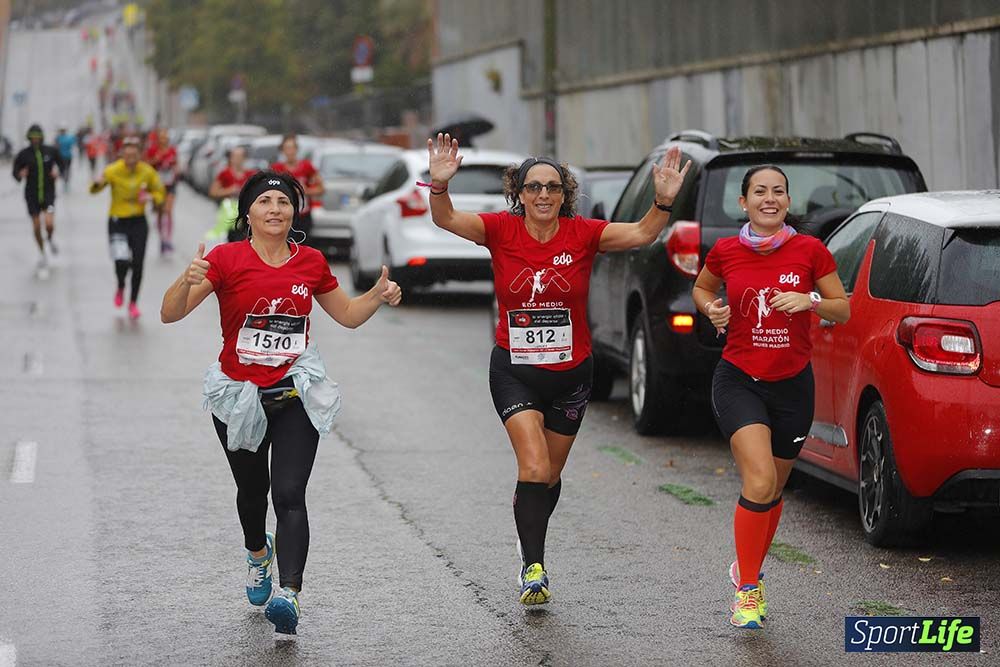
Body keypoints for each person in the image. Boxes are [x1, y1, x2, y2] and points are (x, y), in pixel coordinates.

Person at [426, 133, 690, 605]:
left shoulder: (584, 234)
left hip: (572, 375)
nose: (543, 194)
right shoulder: (499, 230)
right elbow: (445, 219)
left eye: (552, 187)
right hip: (515, 369)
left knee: (547, 475)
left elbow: (643, 233)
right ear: (519, 194)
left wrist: (663, 201)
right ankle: (533, 566)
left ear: (564, 194)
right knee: (532, 464)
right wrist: (441, 186)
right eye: (533, 187)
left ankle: (532, 536)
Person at [160, 170, 402, 636]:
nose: (275, 209)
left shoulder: (310, 261)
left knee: (290, 494)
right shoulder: (225, 259)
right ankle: (257, 553)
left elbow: (348, 316)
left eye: (284, 202)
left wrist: (376, 295)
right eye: (266, 201)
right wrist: (186, 279)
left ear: (295, 211)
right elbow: (170, 313)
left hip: (295, 392)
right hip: (238, 397)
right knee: (253, 495)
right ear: (247, 212)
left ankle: (289, 593)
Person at [691, 165, 850, 629]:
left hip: (793, 385)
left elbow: (843, 307)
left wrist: (811, 302)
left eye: (778, 192)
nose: (769, 198)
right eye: (759, 191)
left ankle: (747, 565)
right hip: (739, 379)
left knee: (774, 488)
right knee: (759, 480)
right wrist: (712, 308)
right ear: (743, 202)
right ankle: (748, 589)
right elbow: (701, 288)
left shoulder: (811, 251)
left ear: (787, 201)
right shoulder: (725, 251)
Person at [90, 136, 165, 319]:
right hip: (118, 222)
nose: (131, 158)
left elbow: (160, 192)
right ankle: (121, 284)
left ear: (140, 155)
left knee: (138, 263)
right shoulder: (113, 170)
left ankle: (133, 302)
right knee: (121, 260)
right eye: (127, 154)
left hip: (139, 222)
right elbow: (94, 190)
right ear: (122, 154)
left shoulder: (147, 172)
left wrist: (152, 198)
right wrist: (98, 182)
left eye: (134, 154)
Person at [12, 124, 65, 274]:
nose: (35, 139)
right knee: (36, 226)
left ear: (41, 137)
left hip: (48, 194)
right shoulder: (24, 154)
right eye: (32, 137)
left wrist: (58, 172)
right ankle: (42, 252)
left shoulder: (50, 151)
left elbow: (62, 165)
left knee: (49, 223)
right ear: (29, 138)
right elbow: (15, 172)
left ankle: (50, 238)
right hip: (32, 196)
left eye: (37, 137)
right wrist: (20, 174)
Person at [270, 135, 322, 244]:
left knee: (303, 246)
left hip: (303, 215)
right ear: (282, 151)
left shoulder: (306, 167)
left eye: (292, 148)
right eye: (287, 148)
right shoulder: (277, 169)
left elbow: (320, 189)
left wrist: (304, 191)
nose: (290, 152)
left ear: (297, 149)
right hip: (283, 215)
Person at [208, 145, 257, 242]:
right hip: (229, 215)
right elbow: (213, 192)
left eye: (240, 156)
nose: (238, 159)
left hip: (246, 216)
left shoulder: (251, 174)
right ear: (230, 158)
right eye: (235, 156)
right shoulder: (224, 174)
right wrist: (229, 191)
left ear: (244, 158)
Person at [144, 128, 179, 255]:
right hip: (157, 186)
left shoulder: (172, 150)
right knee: (160, 213)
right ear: (158, 139)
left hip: (170, 184)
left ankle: (168, 239)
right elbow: (147, 165)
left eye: (166, 137)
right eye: (162, 137)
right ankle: (162, 239)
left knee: (168, 211)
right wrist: (157, 159)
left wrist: (175, 170)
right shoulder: (152, 150)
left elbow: (176, 164)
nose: (164, 139)